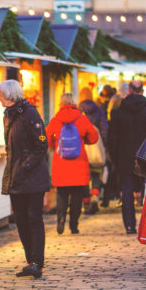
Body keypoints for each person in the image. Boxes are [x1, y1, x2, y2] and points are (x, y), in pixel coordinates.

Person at [0, 79, 49, 279]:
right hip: (16, 178)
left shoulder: (30, 113)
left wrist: (25, 166)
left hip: (32, 177)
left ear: (10, 96)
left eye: (1, 94)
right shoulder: (8, 116)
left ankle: (37, 262)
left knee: (34, 219)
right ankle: (30, 260)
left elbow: (41, 145)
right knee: (20, 221)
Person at [108, 80, 146, 234]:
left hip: (125, 156)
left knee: (127, 191)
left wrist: (115, 159)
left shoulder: (118, 112)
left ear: (129, 90)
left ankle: (130, 224)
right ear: (142, 90)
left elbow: (113, 138)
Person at [46, 93, 99, 234]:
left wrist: (53, 144)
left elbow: (46, 137)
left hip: (61, 162)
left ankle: (61, 219)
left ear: (60, 103)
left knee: (62, 193)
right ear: (75, 103)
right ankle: (74, 225)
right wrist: (83, 141)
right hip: (79, 163)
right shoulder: (82, 119)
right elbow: (94, 137)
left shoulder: (56, 120)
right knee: (77, 196)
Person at [78, 87, 107, 214]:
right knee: (96, 172)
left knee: (84, 175)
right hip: (96, 144)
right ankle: (95, 197)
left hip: (82, 146)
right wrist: (104, 144)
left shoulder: (78, 110)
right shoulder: (98, 109)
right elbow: (104, 128)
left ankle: (86, 202)